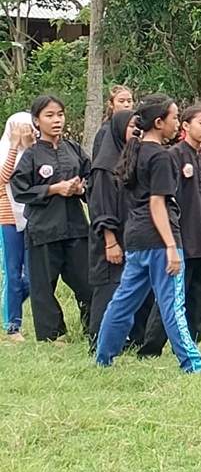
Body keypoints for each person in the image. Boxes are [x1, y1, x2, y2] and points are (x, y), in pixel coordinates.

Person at [95, 94, 201, 373]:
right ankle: (192, 364)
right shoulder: (161, 158)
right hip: (159, 239)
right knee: (172, 305)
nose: (177, 122)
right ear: (159, 122)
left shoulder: (134, 152)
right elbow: (157, 203)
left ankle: (103, 358)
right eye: (174, 117)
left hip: (136, 239)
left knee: (123, 302)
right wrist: (170, 246)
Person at [139, 105, 201, 358]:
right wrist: (169, 241)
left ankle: (192, 342)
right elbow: (164, 201)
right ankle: (151, 348)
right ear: (185, 126)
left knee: (200, 297)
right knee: (172, 297)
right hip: (180, 239)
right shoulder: (173, 157)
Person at [11, 95, 92, 343]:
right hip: (44, 229)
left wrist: (81, 189)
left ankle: (94, 328)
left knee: (88, 282)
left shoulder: (74, 150)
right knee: (44, 287)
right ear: (37, 121)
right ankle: (52, 335)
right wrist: (53, 189)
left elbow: (92, 180)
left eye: (60, 114)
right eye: (49, 115)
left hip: (76, 228)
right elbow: (20, 189)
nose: (56, 120)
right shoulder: (32, 155)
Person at [87, 109, 153, 350]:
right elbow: (100, 208)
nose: (137, 132)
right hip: (111, 239)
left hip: (133, 235)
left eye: (140, 127)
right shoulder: (104, 167)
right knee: (108, 288)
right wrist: (110, 241)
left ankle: (137, 338)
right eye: (132, 127)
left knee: (138, 286)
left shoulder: (134, 160)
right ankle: (98, 339)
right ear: (118, 130)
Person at [1, 111, 33, 341]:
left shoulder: (35, 152)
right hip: (8, 218)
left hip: (32, 217)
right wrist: (14, 146)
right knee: (13, 272)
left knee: (33, 276)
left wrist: (31, 146)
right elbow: (4, 176)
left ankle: (8, 308)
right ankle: (13, 325)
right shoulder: (4, 150)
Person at [92, 85, 134, 158]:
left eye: (129, 101)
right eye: (121, 101)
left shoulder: (137, 128)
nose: (126, 105)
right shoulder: (105, 131)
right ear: (111, 104)